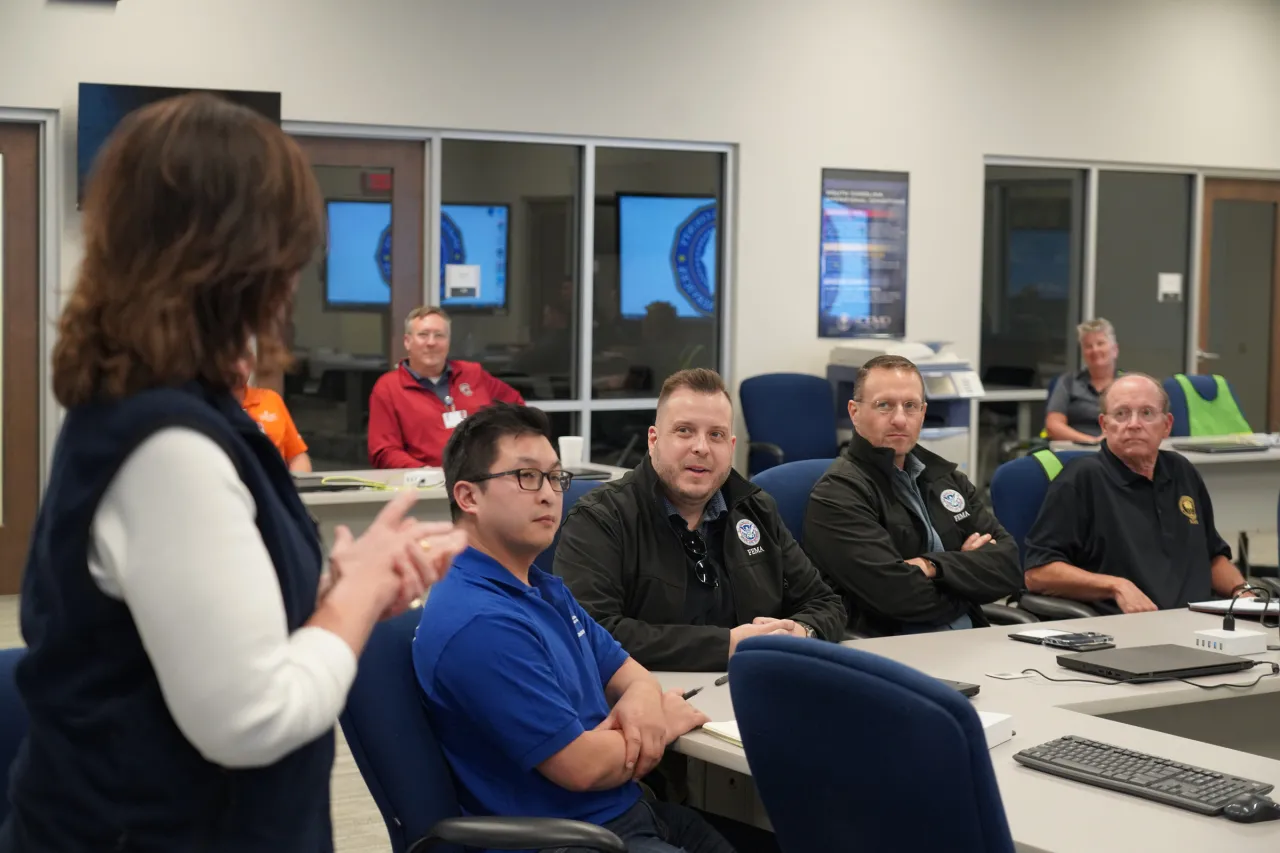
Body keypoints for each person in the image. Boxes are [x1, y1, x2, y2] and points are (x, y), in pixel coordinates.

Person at [0, 93, 468, 852]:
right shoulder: (166, 445)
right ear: (241, 260)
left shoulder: (172, 409)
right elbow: (253, 719)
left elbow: (191, 617)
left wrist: (334, 590)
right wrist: (349, 603)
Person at [413, 403, 736, 853]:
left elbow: (634, 675)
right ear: (468, 497)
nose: (549, 494)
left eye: (555, 477)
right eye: (527, 476)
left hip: (625, 812)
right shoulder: (481, 622)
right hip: (568, 839)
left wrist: (642, 704)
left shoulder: (542, 586)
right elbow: (581, 766)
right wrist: (658, 723)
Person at [555, 369, 846, 672]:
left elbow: (826, 603)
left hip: (753, 690)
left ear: (731, 447)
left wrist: (801, 632)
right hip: (649, 699)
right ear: (653, 440)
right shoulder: (600, 518)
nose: (701, 447)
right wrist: (728, 646)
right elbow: (591, 631)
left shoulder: (756, 509)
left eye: (716, 435)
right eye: (684, 431)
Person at [804, 355, 1022, 636]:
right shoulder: (837, 494)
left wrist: (932, 566)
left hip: (970, 640)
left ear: (923, 411)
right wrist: (970, 581)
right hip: (895, 648)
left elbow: (1009, 565)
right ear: (854, 412)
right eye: (884, 405)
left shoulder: (946, 477)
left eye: (910, 406)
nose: (899, 419)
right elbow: (896, 595)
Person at [1023, 373, 1246, 613]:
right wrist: (1115, 586)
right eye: (1121, 414)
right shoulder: (1082, 479)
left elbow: (1212, 557)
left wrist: (1243, 592)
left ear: (1167, 425)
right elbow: (1038, 574)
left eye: (1147, 413)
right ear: (1104, 425)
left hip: (1201, 624)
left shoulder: (1182, 472)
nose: (1134, 424)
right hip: (1125, 631)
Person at [367, 306, 525, 469]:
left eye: (439, 335)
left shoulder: (473, 373)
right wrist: (424, 473)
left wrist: (501, 452)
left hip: (482, 479)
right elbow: (383, 451)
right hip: (427, 486)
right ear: (407, 342)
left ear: (448, 341)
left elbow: (517, 408)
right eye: (423, 335)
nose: (431, 342)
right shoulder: (388, 388)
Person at [1044, 318, 1121, 443]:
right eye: (1088, 346)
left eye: (1100, 343)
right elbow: (1053, 426)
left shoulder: (1129, 384)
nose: (1095, 350)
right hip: (1076, 450)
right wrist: (1092, 441)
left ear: (1115, 350)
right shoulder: (1068, 382)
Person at [238, 382, 312, 472]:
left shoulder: (270, 399)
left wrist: (293, 484)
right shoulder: (217, 407)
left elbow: (297, 456)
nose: (241, 368)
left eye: (247, 366)